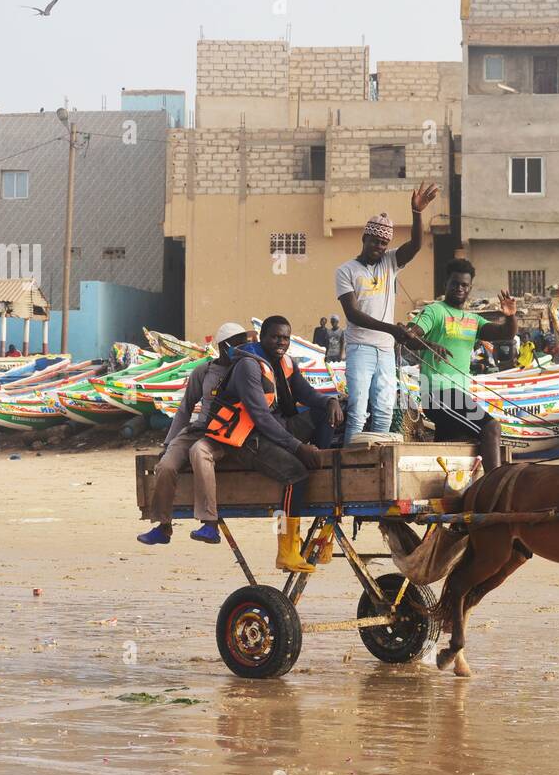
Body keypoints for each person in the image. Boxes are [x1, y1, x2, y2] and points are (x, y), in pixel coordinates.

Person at [210, 315, 344, 572]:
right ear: (262, 338)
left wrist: (331, 401)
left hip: (277, 429)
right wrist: (297, 447)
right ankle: (286, 549)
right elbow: (260, 418)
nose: (281, 342)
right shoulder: (249, 366)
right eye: (275, 337)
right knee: (295, 474)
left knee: (327, 412)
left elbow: (307, 394)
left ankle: (321, 461)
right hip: (248, 439)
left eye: (285, 338)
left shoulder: (285, 362)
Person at [335, 182, 439, 444]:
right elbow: (353, 314)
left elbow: (415, 245)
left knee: (383, 410)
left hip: (385, 350)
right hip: (360, 347)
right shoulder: (346, 270)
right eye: (375, 241)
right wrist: (393, 329)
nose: (379, 247)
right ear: (364, 238)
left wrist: (416, 213)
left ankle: (379, 466)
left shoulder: (390, 262)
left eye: (383, 243)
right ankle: (350, 464)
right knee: (358, 411)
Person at [138, 322, 250, 547]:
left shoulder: (246, 369)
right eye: (235, 345)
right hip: (199, 429)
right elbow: (185, 408)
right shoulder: (204, 371)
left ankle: (210, 524)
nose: (240, 349)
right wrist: (169, 442)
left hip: (225, 433)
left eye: (243, 344)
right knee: (166, 465)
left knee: (199, 453)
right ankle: (163, 526)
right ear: (222, 346)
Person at [406, 259, 515, 472]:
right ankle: (493, 487)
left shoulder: (473, 320)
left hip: (458, 395)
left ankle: (455, 495)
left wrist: (510, 317)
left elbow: (505, 334)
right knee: (491, 427)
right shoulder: (435, 311)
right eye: (455, 283)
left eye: (464, 285)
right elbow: (409, 336)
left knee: (452, 447)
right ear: (446, 283)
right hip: (438, 394)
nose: (459, 288)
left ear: (470, 288)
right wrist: (429, 343)